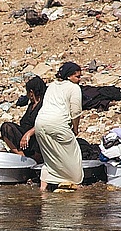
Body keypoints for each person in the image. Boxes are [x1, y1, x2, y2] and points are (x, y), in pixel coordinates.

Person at [35, 62, 84, 191]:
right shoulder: (74, 88)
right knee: (73, 154)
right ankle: (75, 183)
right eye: (77, 77)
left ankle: (43, 188)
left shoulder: (51, 86)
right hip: (57, 124)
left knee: (50, 156)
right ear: (69, 76)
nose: (79, 80)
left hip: (40, 123)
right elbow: (76, 111)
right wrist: (75, 128)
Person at [0, 75, 47, 162]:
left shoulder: (45, 104)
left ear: (31, 92)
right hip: (25, 138)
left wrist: (29, 133)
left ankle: (36, 158)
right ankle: (21, 155)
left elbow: (44, 122)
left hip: (37, 139)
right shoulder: (31, 105)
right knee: (6, 127)